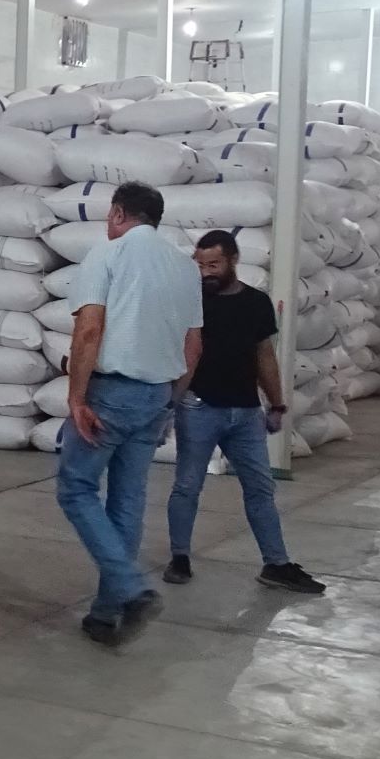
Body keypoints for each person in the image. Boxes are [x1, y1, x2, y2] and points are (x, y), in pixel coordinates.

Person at [57, 181, 203, 646]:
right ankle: (105, 615)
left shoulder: (109, 253)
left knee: (76, 489)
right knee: (127, 501)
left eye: (108, 215)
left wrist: (77, 398)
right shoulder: (184, 266)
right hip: (156, 395)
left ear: (119, 214)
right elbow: (193, 346)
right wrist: (169, 402)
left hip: (111, 395)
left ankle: (131, 587)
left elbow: (88, 330)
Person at [163, 230, 325, 594]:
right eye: (200, 264)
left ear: (233, 261)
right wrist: (168, 405)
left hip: (246, 413)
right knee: (187, 486)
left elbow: (264, 355)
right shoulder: (190, 302)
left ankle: (276, 563)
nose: (206, 272)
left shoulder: (255, 303)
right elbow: (179, 355)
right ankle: (180, 557)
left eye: (214, 264)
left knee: (260, 488)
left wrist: (277, 402)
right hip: (199, 408)